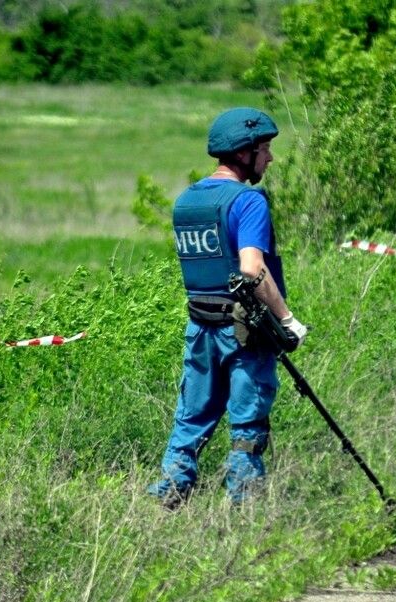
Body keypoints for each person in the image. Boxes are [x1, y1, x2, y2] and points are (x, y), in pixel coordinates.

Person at [147, 107, 308, 509]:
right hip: (244, 334)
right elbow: (252, 270)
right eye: (265, 149)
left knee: (191, 420)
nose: (270, 158)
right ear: (244, 152)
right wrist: (288, 321)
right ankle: (243, 515)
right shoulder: (248, 201)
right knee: (246, 427)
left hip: (199, 328)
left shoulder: (187, 202)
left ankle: (166, 499)